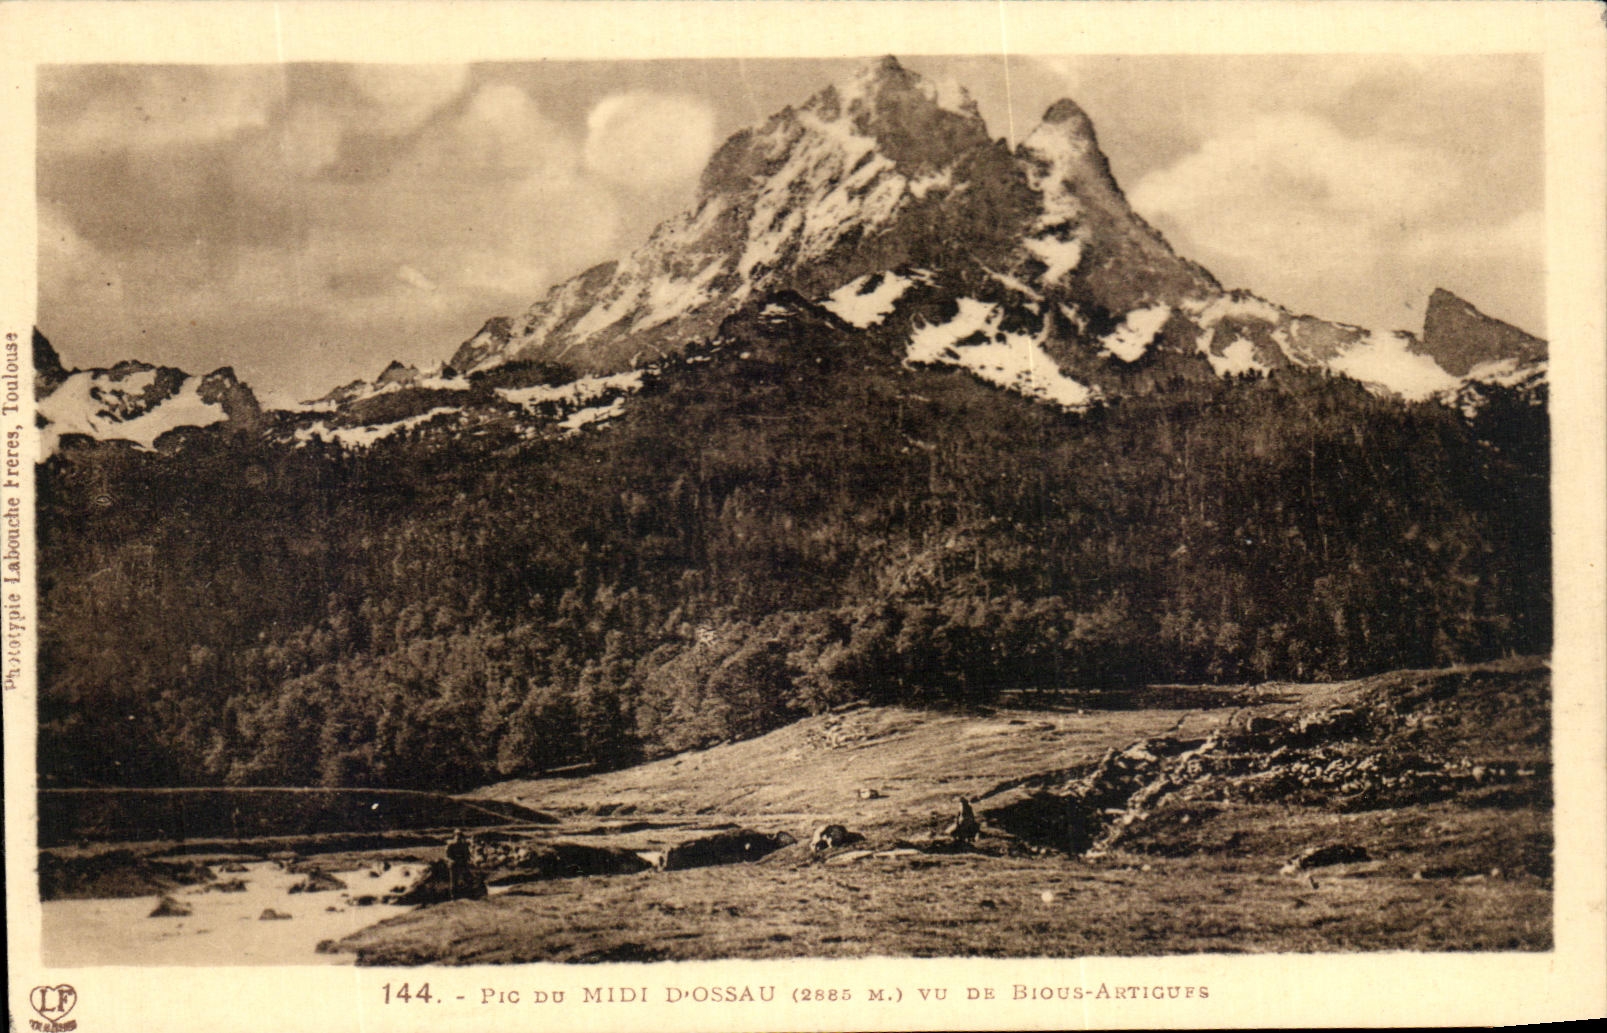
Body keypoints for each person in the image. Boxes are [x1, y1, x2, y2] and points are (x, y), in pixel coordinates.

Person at [445, 828, 473, 899]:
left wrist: (467, 861)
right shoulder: (450, 845)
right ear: (454, 836)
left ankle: (467, 893)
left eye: (459, 835)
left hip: (462, 863)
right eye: (456, 835)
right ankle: (453, 896)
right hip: (454, 864)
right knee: (454, 880)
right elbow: (447, 856)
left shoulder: (463, 845)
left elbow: (467, 854)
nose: (458, 836)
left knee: (467, 878)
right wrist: (451, 860)